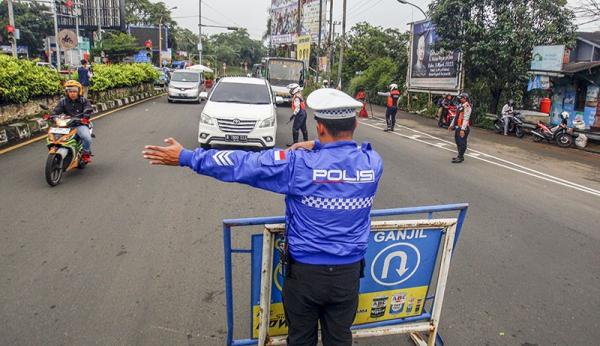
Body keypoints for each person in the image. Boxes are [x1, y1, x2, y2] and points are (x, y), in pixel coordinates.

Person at [142, 88, 384, 346]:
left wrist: (187, 157)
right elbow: (344, 156)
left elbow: (242, 164)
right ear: (356, 123)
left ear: (320, 127)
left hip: (305, 277)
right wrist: (316, 145)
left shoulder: (297, 165)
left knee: (301, 338)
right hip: (348, 276)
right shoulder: (372, 163)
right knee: (340, 338)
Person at [52, 80, 94, 163]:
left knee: (87, 138)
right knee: (53, 138)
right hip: (65, 125)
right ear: (67, 92)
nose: (72, 93)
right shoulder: (63, 102)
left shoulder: (83, 101)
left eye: (74, 91)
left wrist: (85, 117)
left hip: (79, 124)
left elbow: (88, 109)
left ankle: (86, 153)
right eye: (70, 91)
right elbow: (56, 111)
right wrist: (53, 116)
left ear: (79, 91)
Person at [448, 92, 472, 163]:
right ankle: (459, 155)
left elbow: (466, 118)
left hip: (463, 128)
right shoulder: (461, 105)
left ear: (465, 98)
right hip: (458, 126)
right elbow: (456, 116)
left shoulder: (467, 106)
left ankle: (460, 157)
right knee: (457, 141)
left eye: (461, 98)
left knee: (462, 142)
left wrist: (462, 129)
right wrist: (451, 125)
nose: (460, 99)